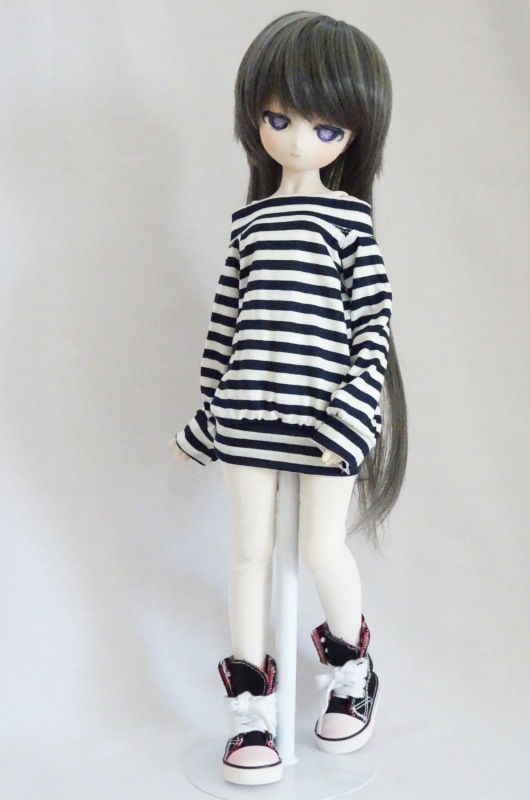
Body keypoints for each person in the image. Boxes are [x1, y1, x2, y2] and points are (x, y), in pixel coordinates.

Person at [172, 11, 408, 786]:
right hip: (245, 414)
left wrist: (356, 408)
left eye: (324, 128)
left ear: (354, 136)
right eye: (279, 119)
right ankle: (250, 713)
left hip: (326, 421)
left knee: (319, 549)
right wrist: (207, 416)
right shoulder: (248, 226)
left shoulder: (348, 224)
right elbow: (226, 330)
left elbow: (373, 326)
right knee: (249, 553)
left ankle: (352, 673)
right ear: (256, 120)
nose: (300, 140)